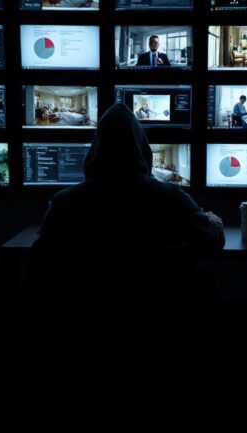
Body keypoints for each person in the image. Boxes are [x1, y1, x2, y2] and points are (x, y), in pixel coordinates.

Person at [30, 103, 225, 319]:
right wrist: (212, 220)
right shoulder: (170, 196)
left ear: (96, 148)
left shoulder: (65, 202)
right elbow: (213, 240)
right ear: (141, 147)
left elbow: (40, 263)